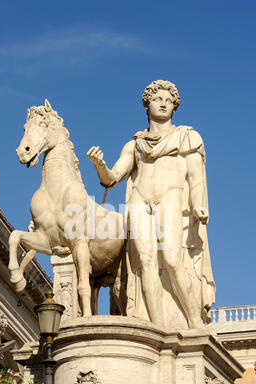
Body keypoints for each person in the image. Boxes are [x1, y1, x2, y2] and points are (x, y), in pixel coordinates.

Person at [87, 80, 215, 328]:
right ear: (147, 105)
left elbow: (196, 175)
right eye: (158, 99)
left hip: (171, 197)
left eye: (169, 100)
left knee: (172, 259)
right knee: (145, 262)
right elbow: (112, 179)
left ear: (175, 106)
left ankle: (193, 320)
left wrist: (199, 204)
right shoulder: (135, 144)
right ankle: (157, 327)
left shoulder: (187, 137)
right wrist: (99, 165)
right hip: (140, 201)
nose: (164, 103)